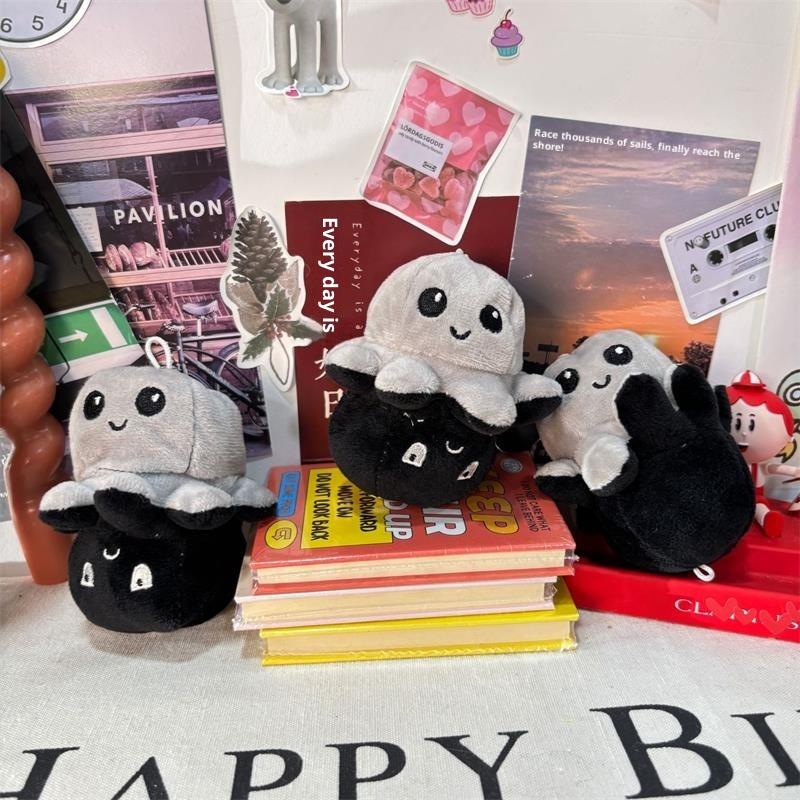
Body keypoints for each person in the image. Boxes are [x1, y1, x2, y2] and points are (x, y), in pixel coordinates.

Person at [726, 370, 799, 537]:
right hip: (728, 496)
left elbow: (773, 468)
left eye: (751, 426)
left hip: (754, 498)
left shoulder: (758, 466)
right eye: (737, 424)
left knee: (760, 507)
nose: (744, 434)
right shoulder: (724, 461)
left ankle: (766, 519)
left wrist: (794, 471)